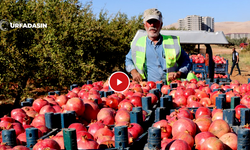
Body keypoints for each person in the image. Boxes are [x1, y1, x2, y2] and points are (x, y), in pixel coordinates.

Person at [125, 8, 192, 84]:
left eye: (155, 22)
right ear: (144, 25)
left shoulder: (172, 42)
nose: (152, 25)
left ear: (161, 24)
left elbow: (186, 61)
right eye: (149, 22)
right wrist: (133, 71)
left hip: (171, 88)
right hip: (147, 88)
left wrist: (178, 73)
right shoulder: (137, 43)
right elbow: (128, 60)